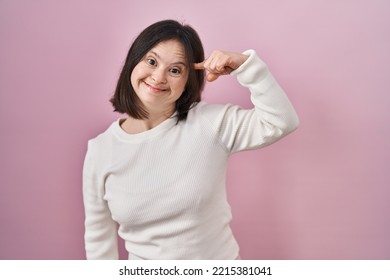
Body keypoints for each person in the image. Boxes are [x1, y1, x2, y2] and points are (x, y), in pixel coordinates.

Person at [82, 19, 299, 260]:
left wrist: (246, 67)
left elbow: (281, 121)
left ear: (187, 82)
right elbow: (99, 242)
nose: (158, 76)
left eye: (175, 70)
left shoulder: (210, 123)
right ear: (134, 62)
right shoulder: (100, 151)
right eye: (151, 62)